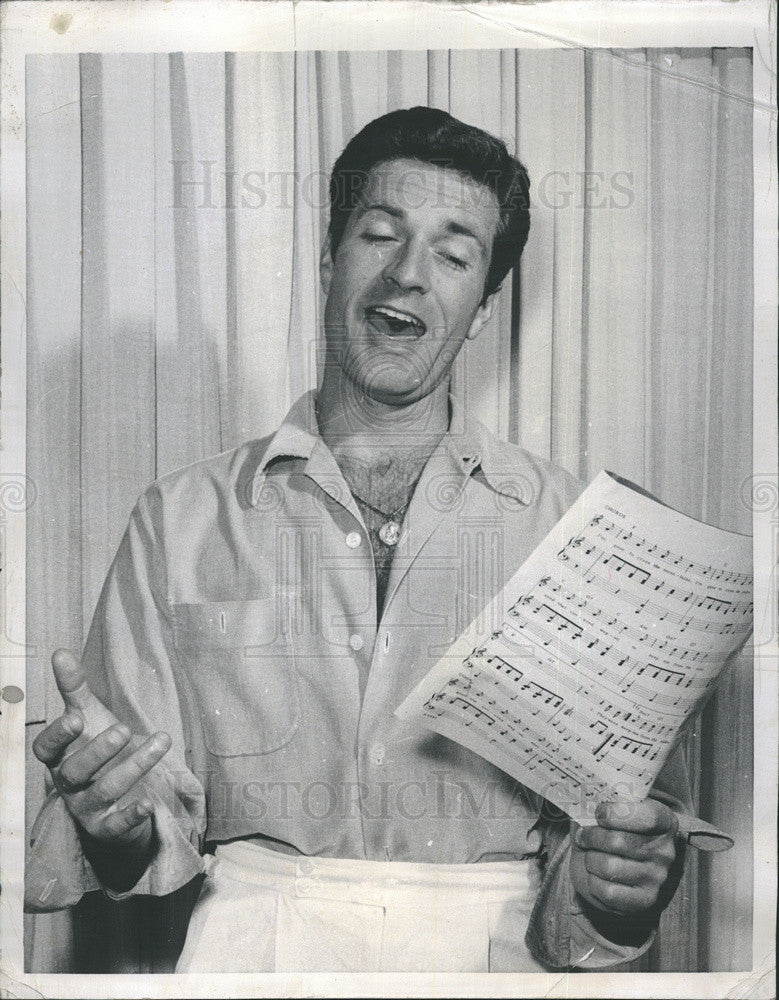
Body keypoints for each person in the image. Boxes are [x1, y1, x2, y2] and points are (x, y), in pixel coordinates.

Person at [26, 106, 691, 972]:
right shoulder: (179, 516)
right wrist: (109, 824)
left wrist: (616, 888)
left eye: (453, 256)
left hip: (499, 960)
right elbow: (141, 835)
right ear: (330, 262)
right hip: (251, 954)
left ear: (483, 308)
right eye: (380, 236)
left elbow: (601, 865)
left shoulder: (574, 531)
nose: (410, 274)